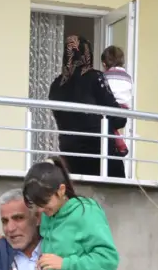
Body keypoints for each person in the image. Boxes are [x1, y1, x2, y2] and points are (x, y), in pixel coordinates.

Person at [48, 35, 127, 178]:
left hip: (70, 155)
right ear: (87, 54)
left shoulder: (56, 84)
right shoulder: (94, 77)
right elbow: (119, 119)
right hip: (100, 155)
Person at [101, 45, 133, 157]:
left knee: (102, 121)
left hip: (112, 109)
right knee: (111, 127)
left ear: (104, 64)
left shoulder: (105, 76)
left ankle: (121, 146)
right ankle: (120, 146)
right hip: (124, 112)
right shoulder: (128, 77)